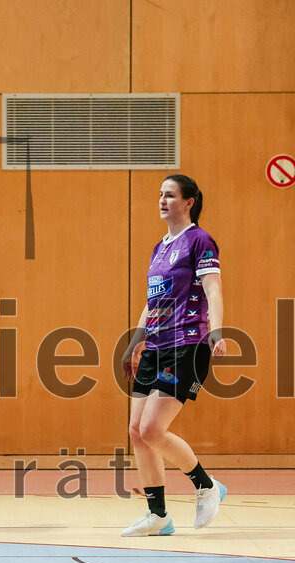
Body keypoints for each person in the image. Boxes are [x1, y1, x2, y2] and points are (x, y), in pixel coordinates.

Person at [120, 175, 227, 537]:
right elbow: (152, 303)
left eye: (170, 195)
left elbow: (213, 288)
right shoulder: (159, 247)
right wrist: (135, 341)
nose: (163, 200)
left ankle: (206, 484)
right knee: (136, 432)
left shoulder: (199, 240)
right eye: (160, 195)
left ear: (189, 201)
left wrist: (216, 330)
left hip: (187, 344)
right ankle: (158, 516)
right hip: (156, 346)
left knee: (153, 428)